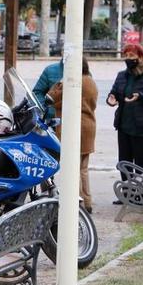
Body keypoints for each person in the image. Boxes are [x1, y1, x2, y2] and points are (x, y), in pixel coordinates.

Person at [107, 44, 143, 202]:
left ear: (141, 58)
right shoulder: (121, 75)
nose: (128, 59)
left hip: (142, 127)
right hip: (123, 125)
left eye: (132, 56)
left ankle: (142, 195)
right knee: (124, 162)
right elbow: (114, 93)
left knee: (142, 163)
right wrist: (111, 98)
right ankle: (127, 193)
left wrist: (140, 96)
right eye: (126, 55)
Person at [46, 59, 98, 213]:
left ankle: (77, 202)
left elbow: (51, 97)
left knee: (72, 167)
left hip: (73, 127)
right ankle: (87, 201)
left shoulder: (72, 83)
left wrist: (60, 82)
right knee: (83, 168)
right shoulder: (90, 80)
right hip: (88, 126)